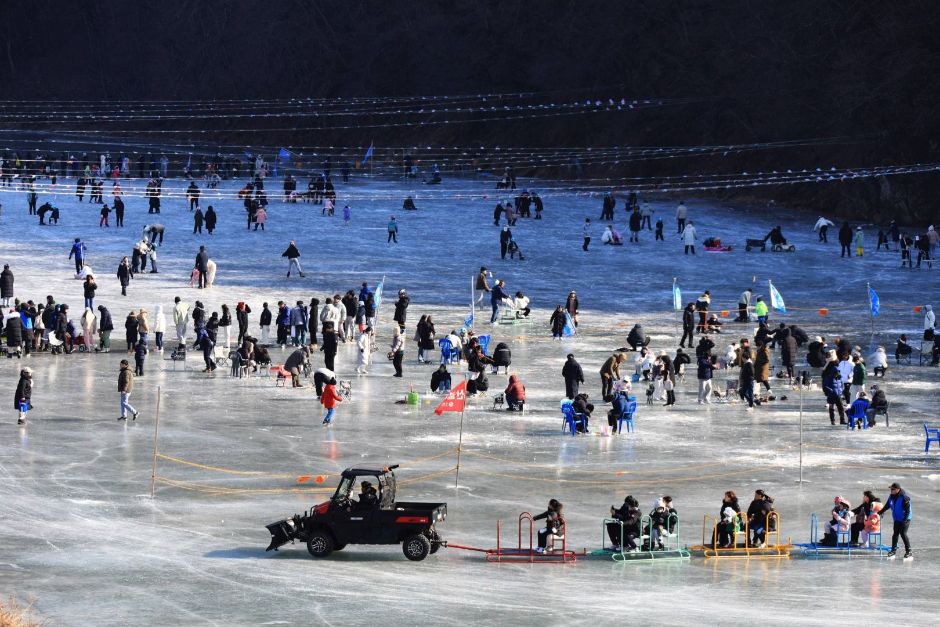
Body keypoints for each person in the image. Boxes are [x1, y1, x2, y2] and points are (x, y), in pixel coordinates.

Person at [879, 482, 912, 559]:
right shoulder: (891, 496)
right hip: (897, 518)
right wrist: (880, 512)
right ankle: (893, 550)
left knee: (903, 533)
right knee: (895, 534)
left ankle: (909, 551)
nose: (891, 490)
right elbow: (887, 505)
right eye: (891, 489)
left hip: (905, 518)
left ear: (898, 489)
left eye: (893, 489)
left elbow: (908, 511)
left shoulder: (904, 497)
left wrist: (905, 520)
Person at [822, 351, 846, 425]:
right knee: (840, 407)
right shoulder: (833, 368)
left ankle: (833, 421)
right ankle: (841, 420)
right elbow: (838, 378)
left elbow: (839, 380)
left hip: (833, 391)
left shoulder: (827, 369)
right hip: (835, 392)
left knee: (832, 407)